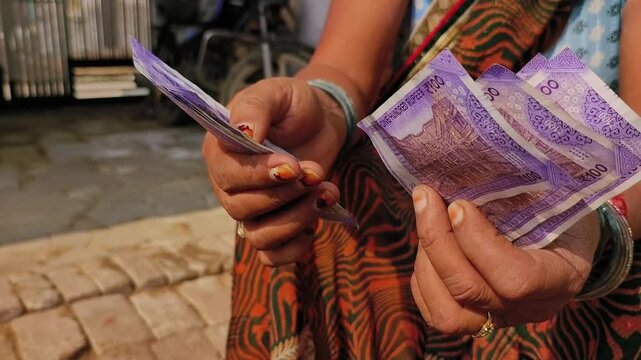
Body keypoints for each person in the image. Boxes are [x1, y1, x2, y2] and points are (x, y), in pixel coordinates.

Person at [202, 0, 641, 358]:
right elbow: (346, 66)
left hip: (577, 258)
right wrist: (326, 110)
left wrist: (603, 229)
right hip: (381, 250)